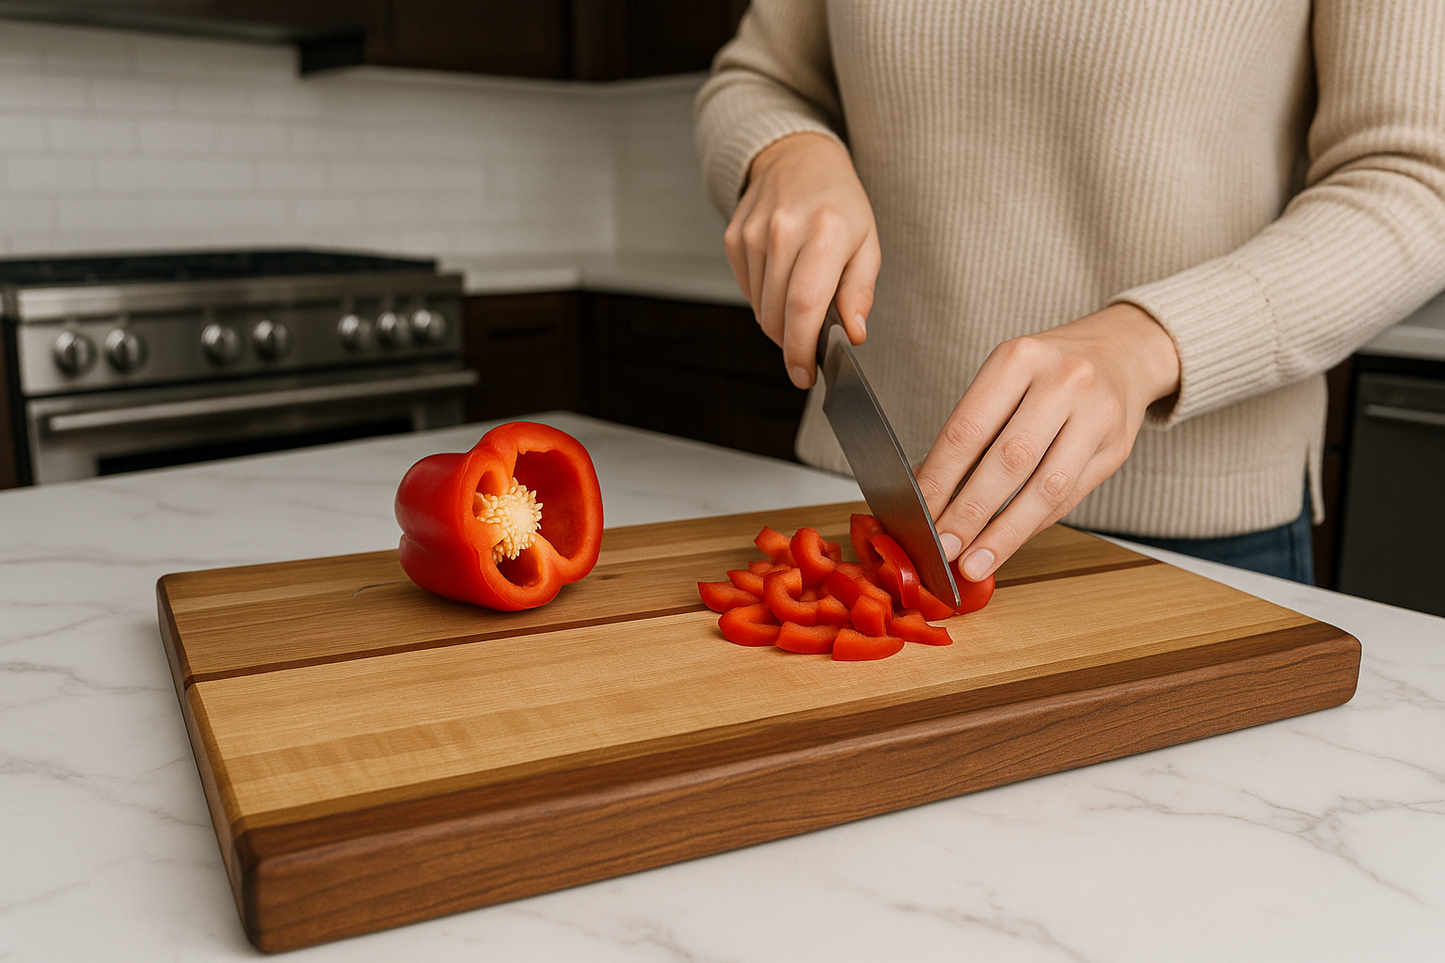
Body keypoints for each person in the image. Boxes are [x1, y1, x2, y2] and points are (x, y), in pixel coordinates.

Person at [693, 0, 1445, 585]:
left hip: (1193, 539)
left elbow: (1416, 179)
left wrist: (1147, 343)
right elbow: (757, 77)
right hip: (861, 501)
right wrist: (787, 150)